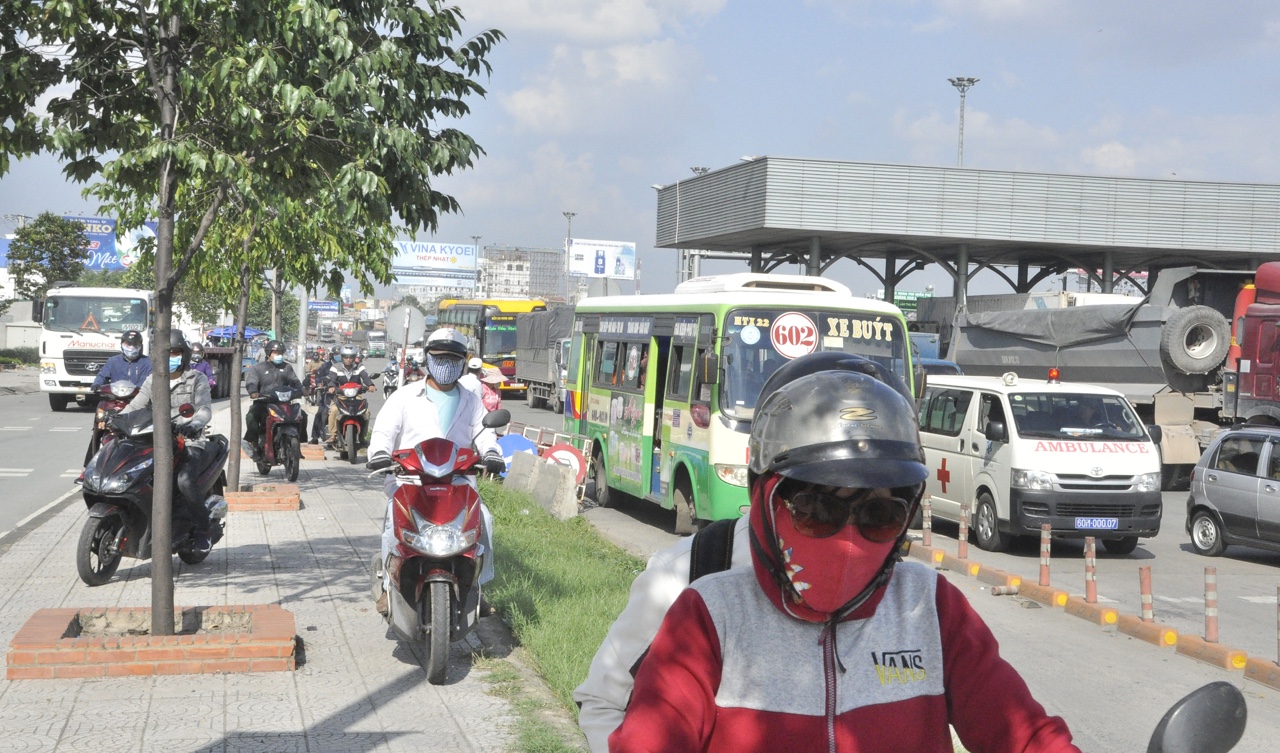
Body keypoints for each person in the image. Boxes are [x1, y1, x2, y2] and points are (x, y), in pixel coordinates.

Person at [601, 353, 1081, 753]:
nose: (848, 542)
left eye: (880, 515)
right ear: (766, 498)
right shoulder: (711, 615)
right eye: (816, 509)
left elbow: (1025, 736)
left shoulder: (929, 608)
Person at [367, 328, 506, 615]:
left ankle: (478, 586)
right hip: (409, 478)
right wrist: (380, 454)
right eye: (440, 357)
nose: (446, 364)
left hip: (458, 479)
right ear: (428, 359)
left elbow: (484, 434)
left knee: (486, 521)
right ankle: (387, 589)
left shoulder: (471, 400)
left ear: (463, 362)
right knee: (392, 527)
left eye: (453, 358)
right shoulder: (405, 396)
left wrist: (491, 453)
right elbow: (383, 431)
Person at [117, 330, 216, 552]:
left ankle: (203, 528)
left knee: (184, 481)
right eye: (166, 353)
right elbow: (136, 406)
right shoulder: (153, 379)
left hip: (188, 441)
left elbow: (204, 410)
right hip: (155, 440)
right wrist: (116, 419)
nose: (171, 356)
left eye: (175, 352)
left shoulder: (196, 379)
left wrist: (192, 426)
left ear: (184, 354)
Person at [243, 339, 304, 461]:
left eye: (281, 352)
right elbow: (251, 382)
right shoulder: (258, 368)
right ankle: (254, 444)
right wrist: (253, 391)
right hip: (264, 403)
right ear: (268, 353)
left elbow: (295, 382)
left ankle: (297, 446)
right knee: (251, 416)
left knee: (303, 416)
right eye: (276, 352)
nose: (279, 355)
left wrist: (302, 390)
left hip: (284, 404)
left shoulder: (287, 368)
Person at [325, 344, 373, 446]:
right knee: (333, 410)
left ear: (354, 357)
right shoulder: (335, 367)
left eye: (351, 357)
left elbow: (365, 377)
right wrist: (331, 387)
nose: (348, 359)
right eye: (345, 357)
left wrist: (370, 385)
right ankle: (333, 435)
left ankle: (362, 436)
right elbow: (331, 379)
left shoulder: (359, 366)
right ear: (341, 357)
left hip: (356, 397)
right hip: (340, 397)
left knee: (367, 412)